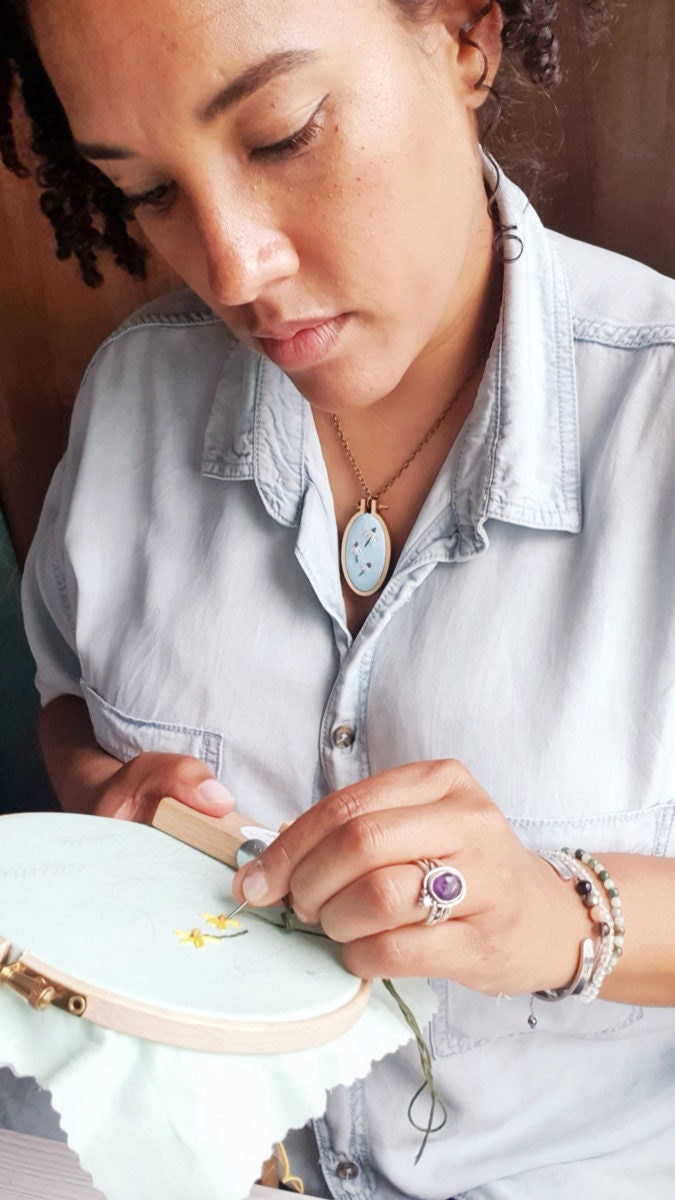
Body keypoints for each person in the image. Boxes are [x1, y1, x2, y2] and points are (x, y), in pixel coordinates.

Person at [2, 0, 674, 1195]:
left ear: (465, 36)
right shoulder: (129, 405)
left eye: (283, 134)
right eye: (150, 190)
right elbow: (69, 704)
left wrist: (559, 919)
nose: (231, 267)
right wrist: (106, 798)